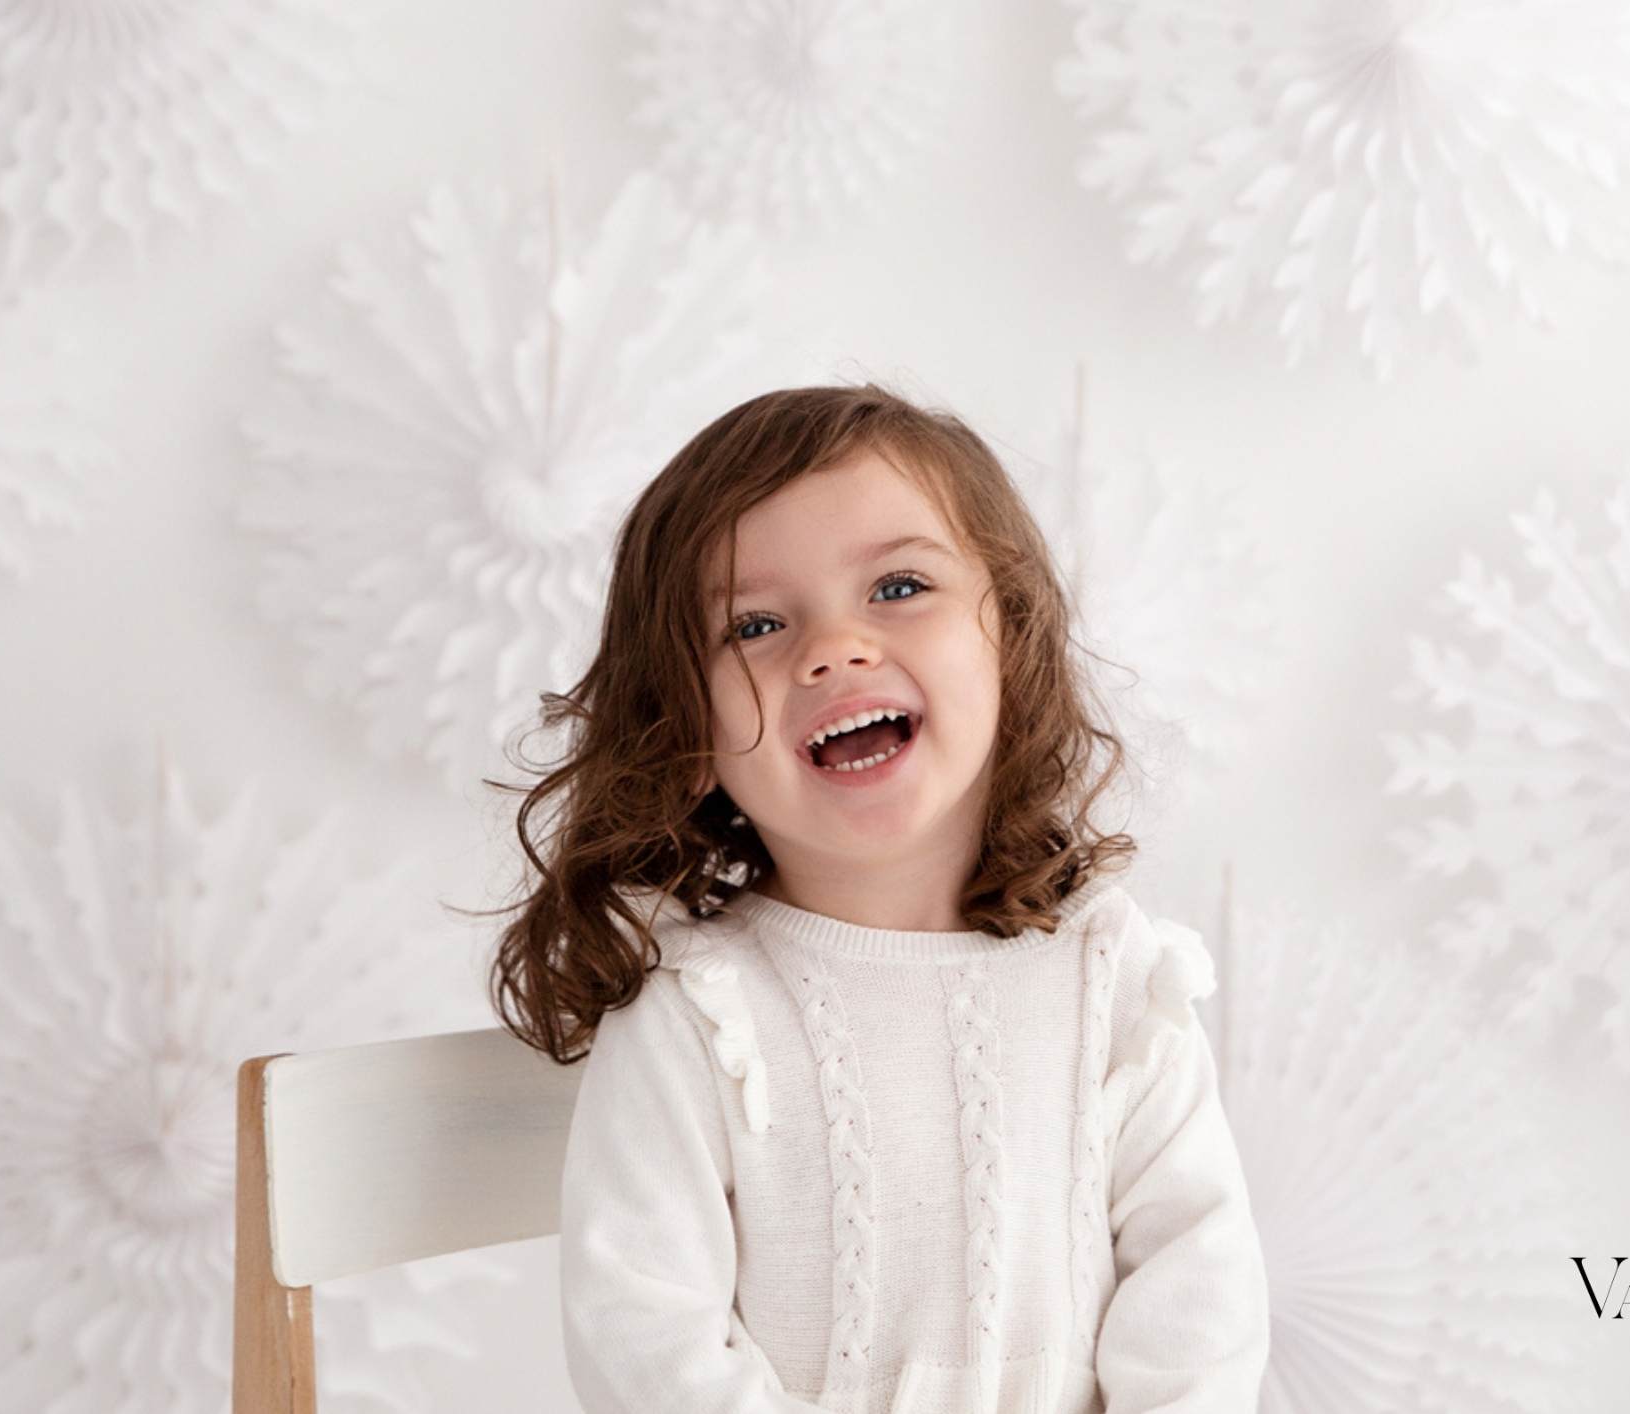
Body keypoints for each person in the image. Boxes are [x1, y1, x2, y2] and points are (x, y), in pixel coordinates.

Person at [487, 382, 1270, 1412]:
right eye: (756, 624)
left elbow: (1198, 1289)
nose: (832, 648)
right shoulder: (699, 1017)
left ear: (1012, 641)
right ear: (681, 730)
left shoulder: (1111, 976)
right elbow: (645, 1340)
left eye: (897, 588)